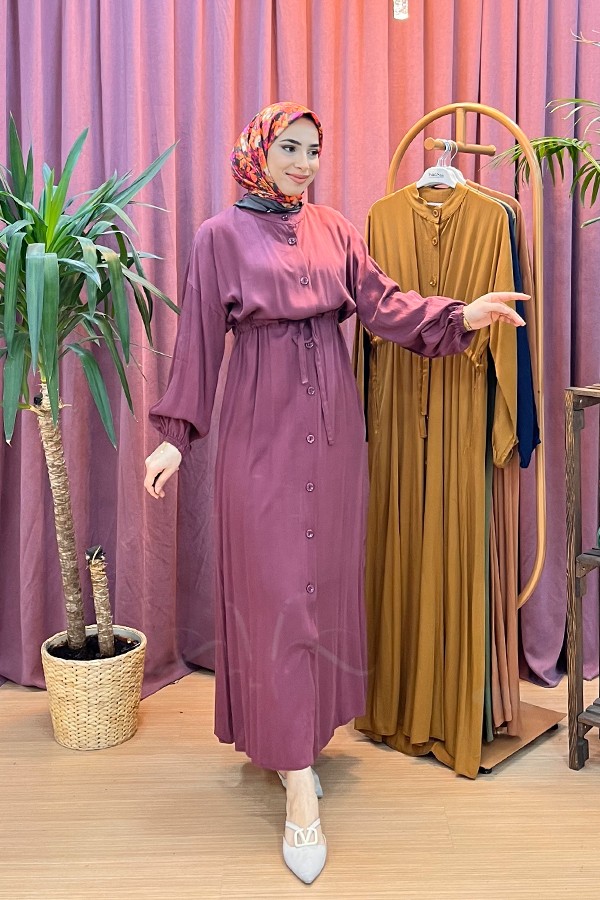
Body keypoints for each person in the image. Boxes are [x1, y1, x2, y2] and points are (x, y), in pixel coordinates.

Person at [144, 101, 527, 884]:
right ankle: (297, 791)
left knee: (318, 593)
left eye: (313, 150)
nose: (303, 163)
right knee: (277, 595)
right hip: (260, 428)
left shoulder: (336, 229)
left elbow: (384, 306)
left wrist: (462, 312)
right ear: (258, 151)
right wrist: (174, 435)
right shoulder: (218, 237)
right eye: (289, 147)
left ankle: (297, 747)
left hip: (334, 431)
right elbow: (200, 346)